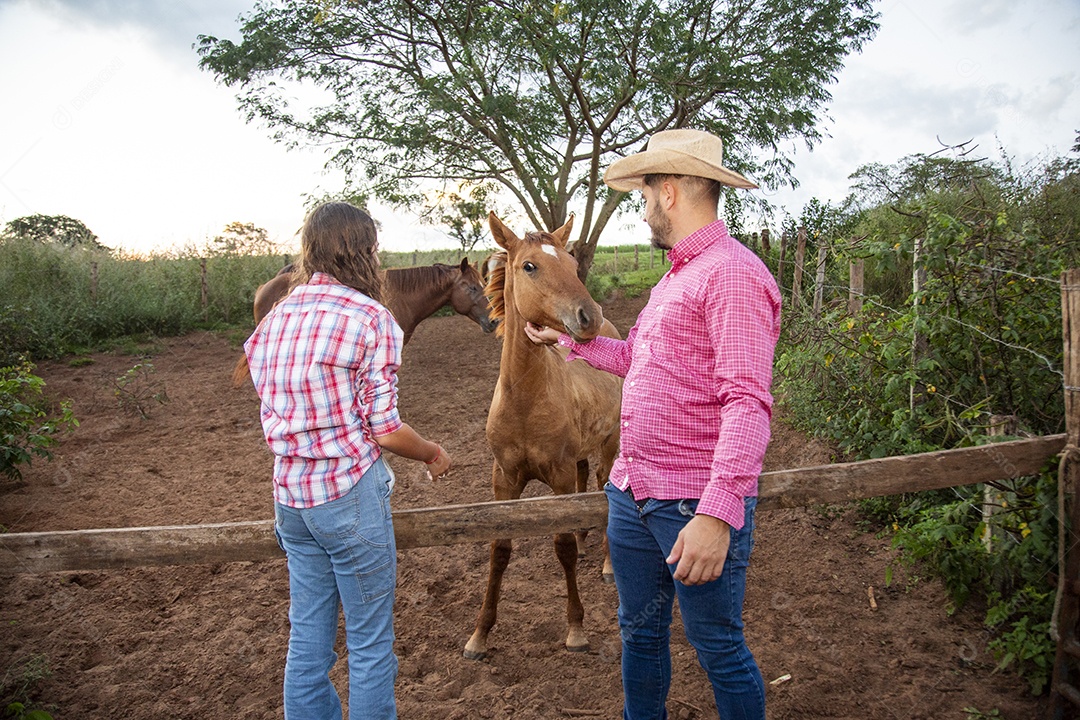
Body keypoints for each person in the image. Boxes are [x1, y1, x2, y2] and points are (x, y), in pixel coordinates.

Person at [525, 129, 781, 720]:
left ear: (668, 192)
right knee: (639, 637)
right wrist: (567, 341)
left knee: (718, 645)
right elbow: (640, 355)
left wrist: (719, 515)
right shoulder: (677, 277)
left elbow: (748, 403)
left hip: (693, 500)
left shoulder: (732, 276)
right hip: (633, 490)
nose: (642, 209)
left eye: (642, 196)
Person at [244, 201, 452, 720]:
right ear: (366, 252)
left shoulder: (276, 318)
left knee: (307, 642)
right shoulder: (369, 318)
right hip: (347, 495)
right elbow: (383, 427)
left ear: (309, 249)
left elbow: (272, 395)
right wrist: (431, 452)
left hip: (290, 500)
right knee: (369, 642)